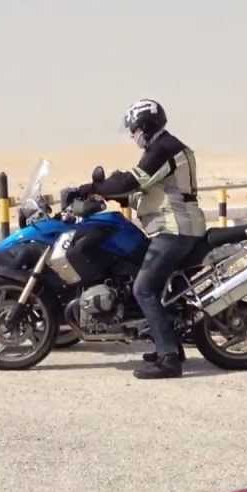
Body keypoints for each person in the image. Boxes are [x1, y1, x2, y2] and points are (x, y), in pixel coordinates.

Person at [70, 99, 207, 379]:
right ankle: (166, 345)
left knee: (144, 289)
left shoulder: (163, 149)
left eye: (134, 130)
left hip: (175, 229)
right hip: (173, 228)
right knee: (146, 284)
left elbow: (132, 181)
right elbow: (138, 190)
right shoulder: (163, 147)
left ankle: (169, 359)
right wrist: (105, 192)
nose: (133, 136)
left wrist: (92, 188)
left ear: (145, 126)